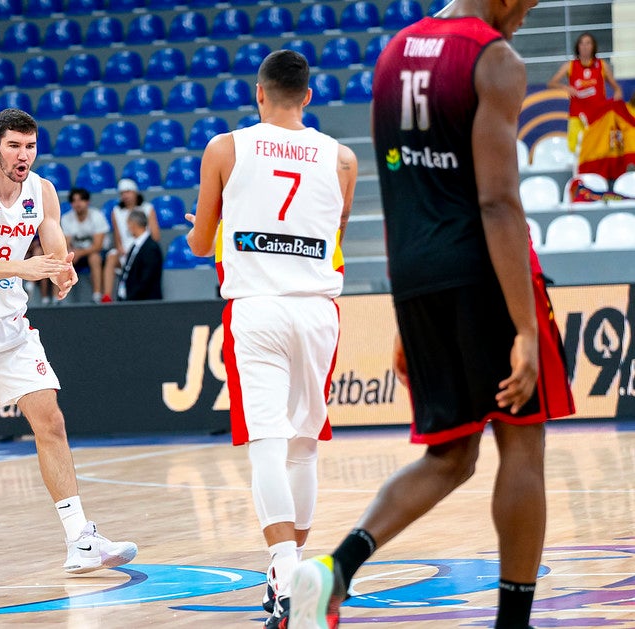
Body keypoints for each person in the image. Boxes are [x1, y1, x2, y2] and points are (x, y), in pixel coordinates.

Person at [290, 2, 575, 628]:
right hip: (487, 276)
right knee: (522, 445)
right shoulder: (493, 59)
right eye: (524, 3)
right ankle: (512, 623)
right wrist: (525, 328)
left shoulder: (393, 55)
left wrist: (406, 309)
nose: (524, 16)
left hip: (417, 276)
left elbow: (400, 188)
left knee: (451, 456)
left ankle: (332, 571)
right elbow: (497, 200)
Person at [0, 108, 137, 582]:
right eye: (14, 146)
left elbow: (55, 245)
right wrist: (24, 268)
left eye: (31, 146)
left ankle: (80, 538)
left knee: (51, 420)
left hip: (10, 324)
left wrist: (64, 269)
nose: (24, 155)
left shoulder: (43, 191)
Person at [186, 50, 357, 628]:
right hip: (316, 309)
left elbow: (200, 242)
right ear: (308, 96)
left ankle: (285, 576)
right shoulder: (343, 159)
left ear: (259, 92)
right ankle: (294, 576)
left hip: (257, 306)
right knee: (303, 444)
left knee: (266, 442)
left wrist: (202, 227)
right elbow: (335, 232)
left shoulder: (225, 148)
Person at [547, 32, 623, 153]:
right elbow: (551, 83)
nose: (585, 46)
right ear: (578, 47)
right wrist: (566, 88)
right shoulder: (570, 65)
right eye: (582, 43)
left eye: (588, 43)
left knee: (599, 148)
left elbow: (617, 89)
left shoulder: (602, 65)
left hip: (598, 115)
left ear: (593, 46)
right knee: (574, 148)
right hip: (577, 114)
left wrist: (616, 100)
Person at [101, 178, 160, 302]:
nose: (125, 196)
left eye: (128, 192)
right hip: (125, 252)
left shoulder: (148, 208)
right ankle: (106, 296)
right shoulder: (116, 211)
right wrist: (121, 249)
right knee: (111, 257)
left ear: (135, 192)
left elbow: (155, 236)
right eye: (122, 193)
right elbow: (117, 237)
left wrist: (140, 249)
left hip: (142, 249)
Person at [61, 186, 110, 304]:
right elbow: (65, 244)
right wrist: (71, 255)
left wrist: (78, 253)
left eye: (81, 200)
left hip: (97, 252)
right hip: (76, 252)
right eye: (74, 200)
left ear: (87, 202)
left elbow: (98, 245)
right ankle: (58, 298)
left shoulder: (97, 216)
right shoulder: (66, 218)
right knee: (62, 260)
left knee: (94, 257)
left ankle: (97, 295)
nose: (77, 203)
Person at [117, 209, 163, 301]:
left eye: (128, 223)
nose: (128, 227)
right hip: (130, 300)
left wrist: (131, 297)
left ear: (133, 224)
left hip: (145, 302)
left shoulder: (151, 248)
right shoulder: (134, 246)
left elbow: (147, 279)